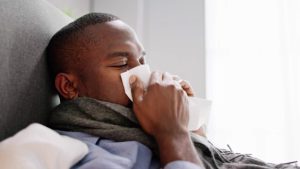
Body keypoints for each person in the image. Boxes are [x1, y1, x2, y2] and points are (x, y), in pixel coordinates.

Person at [46, 13, 299, 169]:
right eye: (122, 64)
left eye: (143, 61)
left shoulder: (138, 128)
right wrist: (172, 133)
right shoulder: (83, 152)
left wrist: (193, 130)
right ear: (69, 87)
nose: (141, 74)